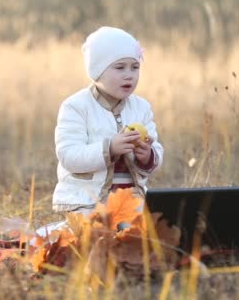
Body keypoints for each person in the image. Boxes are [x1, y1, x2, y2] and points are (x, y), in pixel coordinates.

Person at [52, 26, 164, 215]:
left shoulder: (141, 108)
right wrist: (109, 148)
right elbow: (68, 156)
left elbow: (157, 149)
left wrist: (147, 155)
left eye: (135, 67)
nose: (129, 74)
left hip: (131, 201)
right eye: (120, 67)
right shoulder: (76, 107)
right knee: (93, 236)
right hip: (86, 203)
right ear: (97, 71)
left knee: (146, 235)